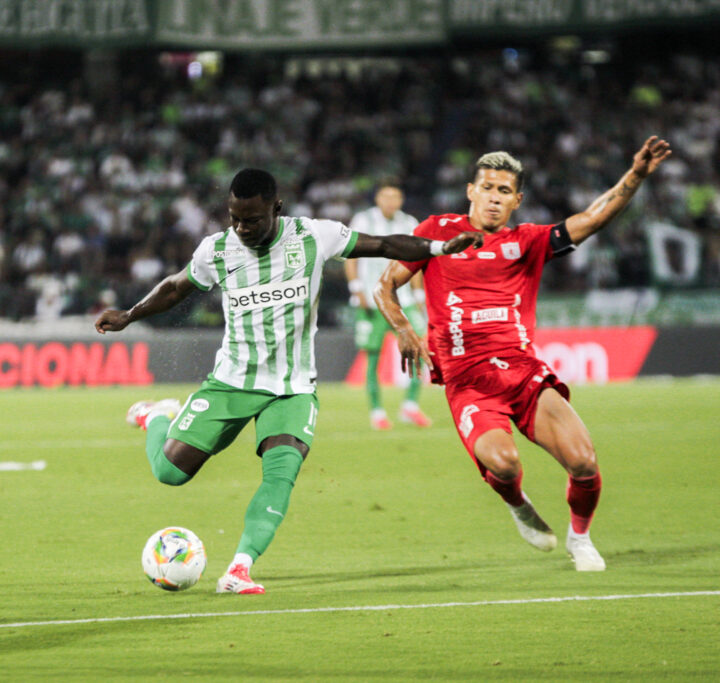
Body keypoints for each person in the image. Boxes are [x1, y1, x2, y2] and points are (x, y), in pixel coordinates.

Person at [95, 169, 481, 594]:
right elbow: (175, 288)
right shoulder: (218, 249)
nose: (242, 228)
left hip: (293, 386)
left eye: (253, 220)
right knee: (170, 473)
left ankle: (239, 568)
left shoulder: (315, 236)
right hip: (232, 382)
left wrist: (441, 248)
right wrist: (130, 314)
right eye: (235, 218)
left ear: (276, 208)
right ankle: (157, 416)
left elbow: (386, 245)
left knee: (281, 472)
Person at [375, 137, 672, 571]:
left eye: (504, 192)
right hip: (469, 381)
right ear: (470, 190)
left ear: (517, 200)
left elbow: (591, 219)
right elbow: (385, 285)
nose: (494, 198)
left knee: (585, 462)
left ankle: (580, 538)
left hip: (523, 372)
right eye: (487, 188)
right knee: (505, 464)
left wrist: (636, 175)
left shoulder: (528, 241)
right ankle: (517, 503)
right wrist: (403, 328)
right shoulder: (436, 233)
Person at [345, 179, 430, 430]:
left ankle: (410, 406)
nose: (391, 201)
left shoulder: (409, 223)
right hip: (372, 300)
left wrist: (419, 296)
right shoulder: (363, 221)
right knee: (372, 357)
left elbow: (415, 263)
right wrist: (356, 288)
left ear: (401, 200)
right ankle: (377, 412)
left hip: (403, 300)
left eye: (395, 197)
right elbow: (351, 255)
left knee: (420, 347)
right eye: (386, 196)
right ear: (378, 199)